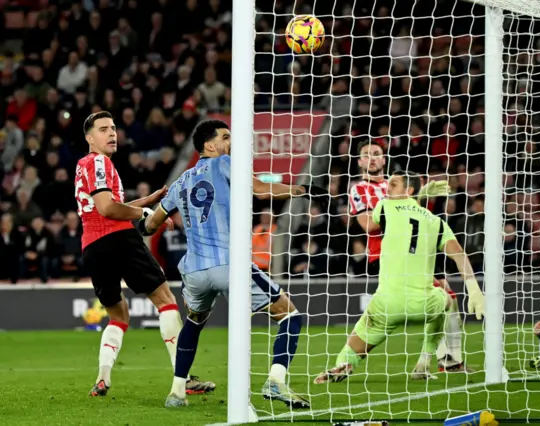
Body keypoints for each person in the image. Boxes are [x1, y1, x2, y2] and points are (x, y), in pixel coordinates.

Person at [141, 119, 329, 408]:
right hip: (230, 265)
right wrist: (301, 190)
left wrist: (140, 222)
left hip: (193, 270)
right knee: (290, 316)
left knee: (194, 321)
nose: (230, 142)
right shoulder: (226, 162)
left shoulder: (180, 181)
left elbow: (151, 225)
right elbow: (260, 190)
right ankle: (276, 382)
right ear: (209, 145)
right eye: (225, 137)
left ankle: (177, 392)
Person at [77, 112, 214, 397]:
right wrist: (147, 212)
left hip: (92, 247)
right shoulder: (98, 162)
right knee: (165, 300)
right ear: (89, 138)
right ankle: (183, 377)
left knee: (119, 315)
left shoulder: (86, 166)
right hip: (117, 240)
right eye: (103, 130)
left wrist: (144, 201)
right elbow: (107, 209)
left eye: (113, 128)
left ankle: (103, 377)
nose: (111, 133)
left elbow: (107, 207)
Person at [315, 172, 485, 383]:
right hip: (423, 304)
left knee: (354, 346)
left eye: (393, 184)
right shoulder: (436, 222)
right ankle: (426, 361)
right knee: (447, 300)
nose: (387, 188)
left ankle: (343, 364)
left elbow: (375, 223)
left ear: (408, 190)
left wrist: (418, 194)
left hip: (386, 304)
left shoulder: (384, 206)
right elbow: (459, 254)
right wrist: (474, 288)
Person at [348, 140, 469, 372]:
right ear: (360, 161)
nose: (372, 158)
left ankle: (449, 360)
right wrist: (399, 202)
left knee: (446, 293)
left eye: (376, 154)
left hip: (413, 252)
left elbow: (413, 215)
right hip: (385, 255)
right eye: (366, 155)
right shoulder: (359, 189)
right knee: (441, 298)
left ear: (384, 159)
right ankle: (448, 362)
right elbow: (368, 226)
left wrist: (420, 195)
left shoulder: (395, 184)